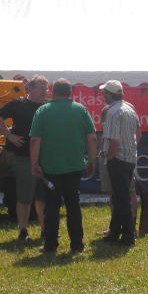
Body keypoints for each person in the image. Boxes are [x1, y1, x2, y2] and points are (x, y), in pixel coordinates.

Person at [30, 78, 96, 255]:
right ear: (70, 92)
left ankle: (50, 245)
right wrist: (91, 160)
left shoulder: (43, 111)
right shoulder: (80, 109)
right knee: (73, 204)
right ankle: (77, 245)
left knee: (52, 207)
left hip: (50, 167)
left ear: (53, 91)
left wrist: (34, 163)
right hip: (75, 165)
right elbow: (92, 138)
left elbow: (35, 140)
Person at [0, 75, 49, 240]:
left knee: (42, 196)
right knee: (24, 197)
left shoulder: (47, 107)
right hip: (23, 157)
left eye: (46, 89)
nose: (44, 92)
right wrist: (9, 136)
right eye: (41, 88)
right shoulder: (18, 104)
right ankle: (23, 231)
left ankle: (45, 230)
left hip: (44, 157)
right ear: (30, 89)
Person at [99, 80, 141, 246]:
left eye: (104, 94)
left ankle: (128, 236)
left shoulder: (112, 112)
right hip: (130, 158)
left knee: (121, 200)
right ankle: (114, 232)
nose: (103, 97)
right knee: (119, 197)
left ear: (109, 95)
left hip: (117, 159)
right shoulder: (130, 108)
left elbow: (113, 142)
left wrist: (109, 159)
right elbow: (139, 135)